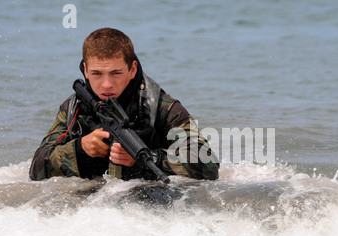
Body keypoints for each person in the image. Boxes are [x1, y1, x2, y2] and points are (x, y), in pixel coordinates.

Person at [29, 28, 219, 181]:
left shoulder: (161, 106)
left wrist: (149, 159)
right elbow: (36, 168)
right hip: (88, 211)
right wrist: (80, 149)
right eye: (97, 74)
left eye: (116, 73)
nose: (106, 84)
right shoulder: (73, 108)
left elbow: (208, 164)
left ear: (132, 69)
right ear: (85, 71)